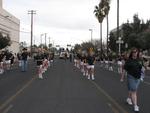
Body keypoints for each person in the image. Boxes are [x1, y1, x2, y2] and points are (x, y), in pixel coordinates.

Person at [124, 48, 142, 112]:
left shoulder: (139, 60)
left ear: (137, 52)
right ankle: (135, 106)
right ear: (132, 53)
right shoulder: (129, 60)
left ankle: (128, 99)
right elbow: (125, 69)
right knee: (134, 91)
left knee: (132, 90)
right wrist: (122, 77)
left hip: (138, 78)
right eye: (134, 52)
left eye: (136, 52)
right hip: (131, 77)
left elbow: (142, 68)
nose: (135, 53)